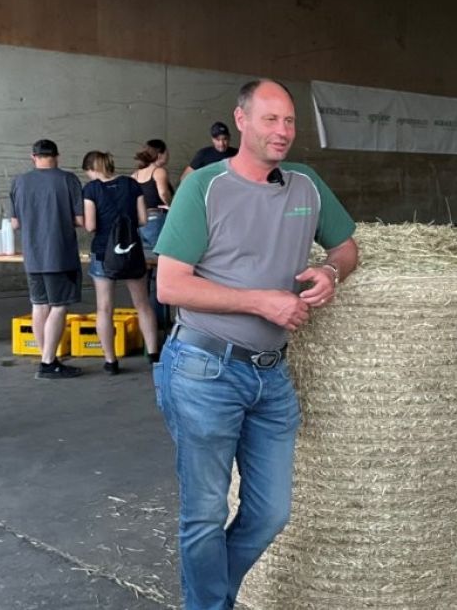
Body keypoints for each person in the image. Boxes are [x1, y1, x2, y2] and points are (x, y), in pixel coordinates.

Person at [154, 79, 358, 610]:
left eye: (289, 120)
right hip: (203, 368)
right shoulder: (205, 187)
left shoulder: (306, 185)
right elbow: (170, 286)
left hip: (271, 374)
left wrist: (330, 271)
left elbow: (346, 246)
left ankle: (211, 596)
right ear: (241, 120)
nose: (282, 131)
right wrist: (260, 302)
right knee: (204, 513)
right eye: (270, 119)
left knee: (271, 513)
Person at [10, 139, 85, 380]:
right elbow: (81, 219)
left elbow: (15, 223)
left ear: (33, 157)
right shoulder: (68, 180)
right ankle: (48, 362)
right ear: (57, 156)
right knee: (59, 306)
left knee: (39, 305)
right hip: (60, 253)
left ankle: (47, 359)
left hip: (33, 255)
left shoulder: (19, 182)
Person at [82, 151, 158, 375]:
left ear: (92, 169)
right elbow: (143, 219)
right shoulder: (131, 184)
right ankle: (153, 354)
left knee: (104, 308)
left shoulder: (91, 189)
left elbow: (90, 226)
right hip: (132, 249)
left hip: (103, 252)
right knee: (142, 304)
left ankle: (111, 361)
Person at [131, 139, 173, 327]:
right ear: (160, 154)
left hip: (139, 221)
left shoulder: (135, 175)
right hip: (156, 219)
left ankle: (145, 321)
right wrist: (173, 207)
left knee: (144, 271)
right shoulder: (159, 172)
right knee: (161, 269)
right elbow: (163, 193)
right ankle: (160, 320)